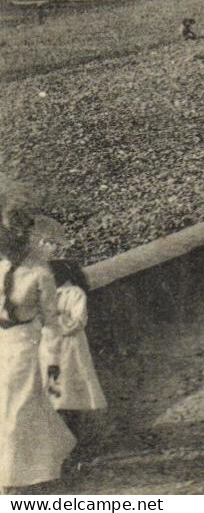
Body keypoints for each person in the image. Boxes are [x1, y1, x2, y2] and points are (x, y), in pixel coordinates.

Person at [0, 205, 77, 490]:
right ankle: (56, 449)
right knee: (17, 406)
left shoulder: (39, 274)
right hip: (1, 343)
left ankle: (9, 479)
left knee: (14, 407)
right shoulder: (1, 267)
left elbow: (51, 321)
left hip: (25, 345)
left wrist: (53, 361)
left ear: (22, 240)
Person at [29, 220, 105, 450]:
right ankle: (62, 437)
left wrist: (52, 323)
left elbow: (78, 321)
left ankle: (73, 439)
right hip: (51, 346)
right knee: (54, 388)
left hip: (69, 347)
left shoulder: (74, 294)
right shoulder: (49, 295)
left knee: (69, 387)